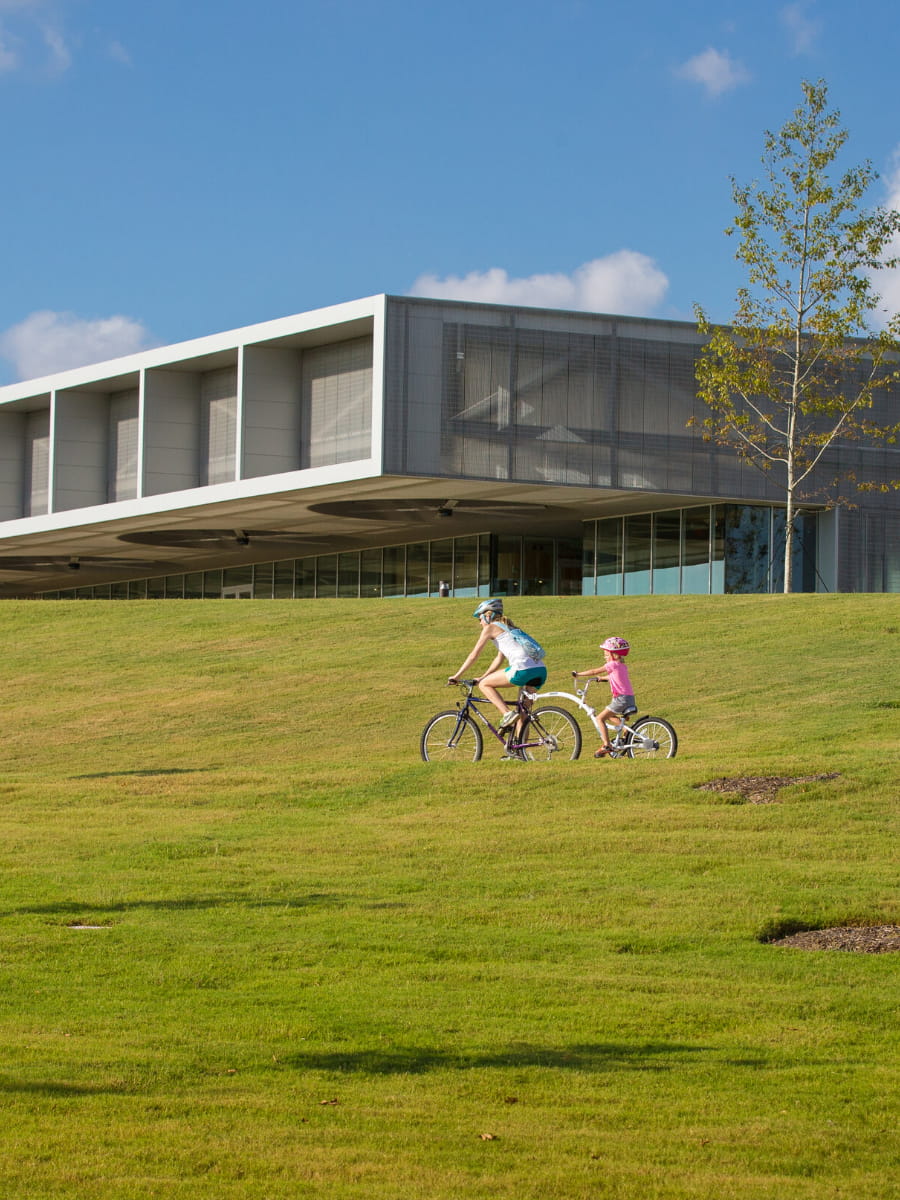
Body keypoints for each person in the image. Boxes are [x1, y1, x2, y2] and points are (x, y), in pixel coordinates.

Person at [448, 598, 547, 728]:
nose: (480, 623)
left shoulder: (490, 628)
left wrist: (457, 676)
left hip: (522, 669)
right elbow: (499, 659)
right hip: (540, 670)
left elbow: (474, 655)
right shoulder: (510, 628)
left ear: (488, 616)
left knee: (484, 685)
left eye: (480, 619)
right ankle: (521, 748)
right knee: (522, 715)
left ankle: (506, 713)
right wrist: (484, 676)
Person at [572, 636, 635, 759]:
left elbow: (595, 671)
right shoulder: (621, 666)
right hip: (629, 698)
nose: (604, 657)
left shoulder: (611, 664)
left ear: (613, 655)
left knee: (600, 718)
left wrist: (578, 674)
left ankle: (607, 745)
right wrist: (602, 679)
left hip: (620, 699)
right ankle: (625, 729)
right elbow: (615, 677)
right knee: (610, 715)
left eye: (606, 654)